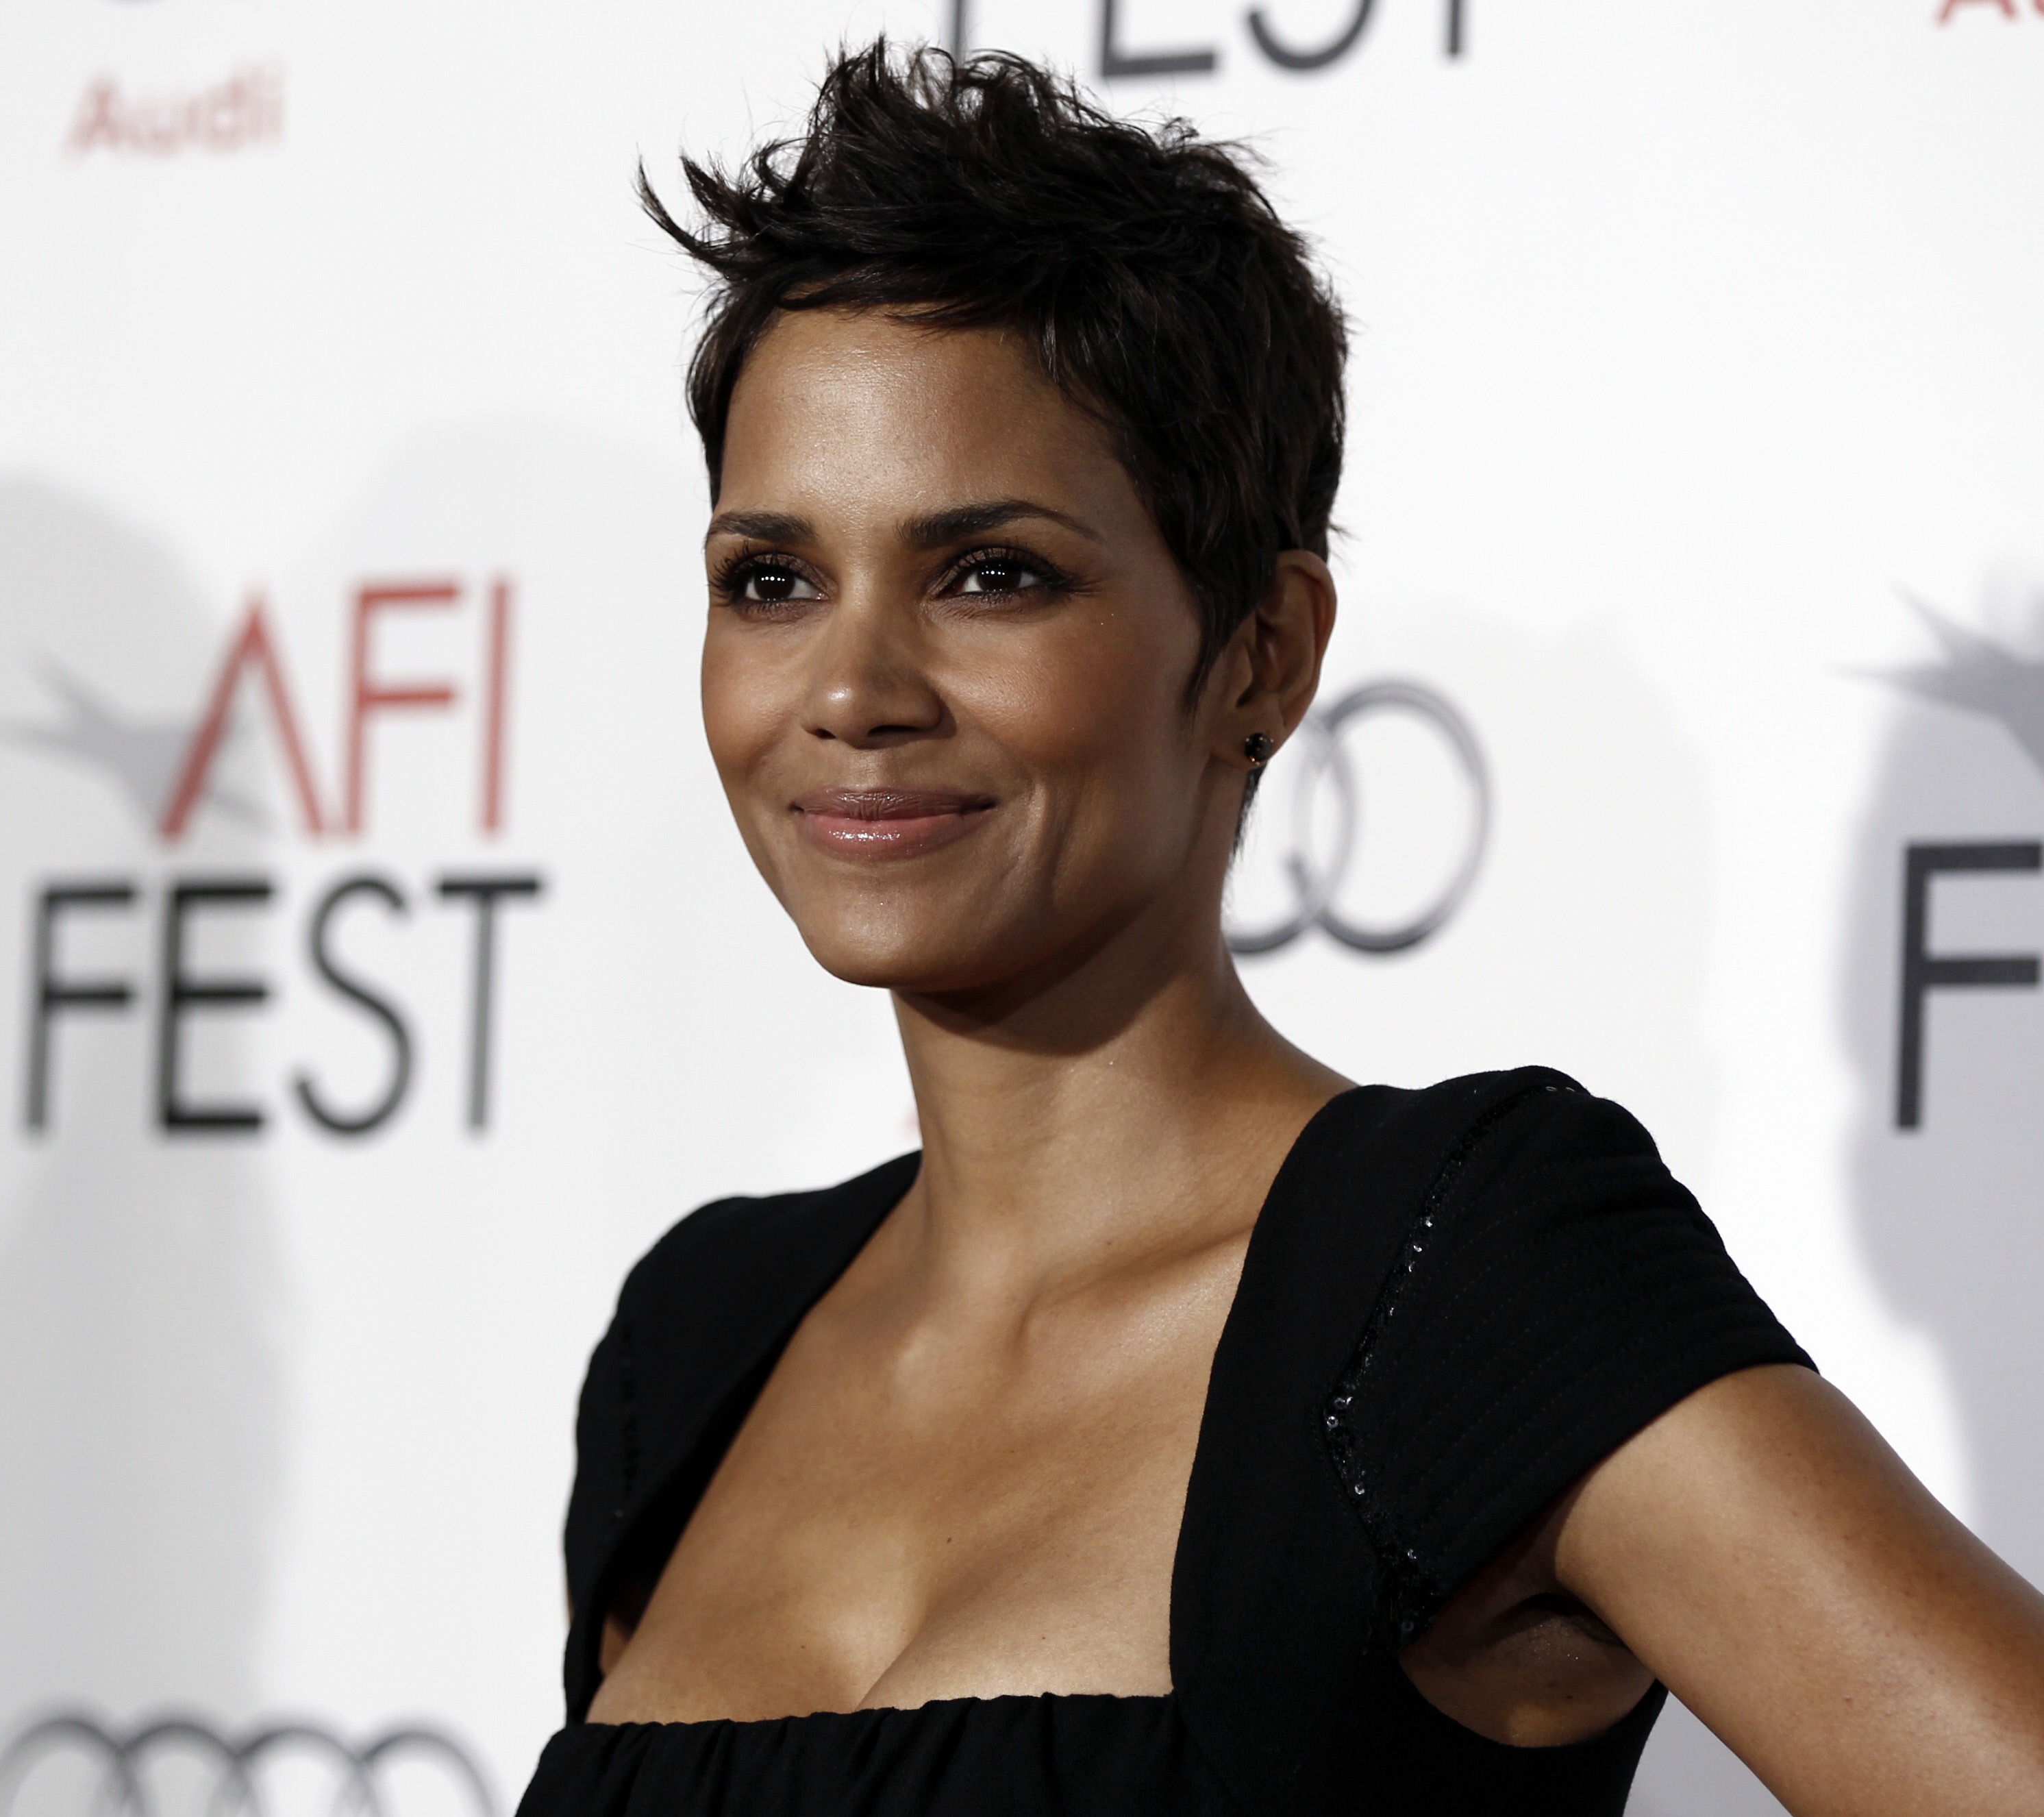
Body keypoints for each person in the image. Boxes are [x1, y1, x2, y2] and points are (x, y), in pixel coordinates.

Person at [516, 42, 2044, 1817]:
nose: (851, 689)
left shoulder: (1456, 1274)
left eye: (992, 573)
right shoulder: (696, 1340)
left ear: (1263, 653)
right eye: (772, 580)